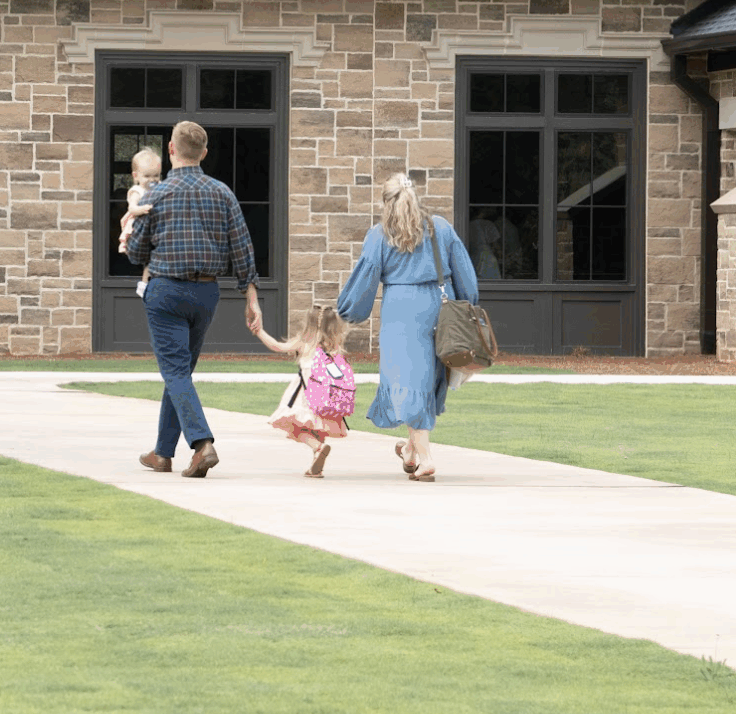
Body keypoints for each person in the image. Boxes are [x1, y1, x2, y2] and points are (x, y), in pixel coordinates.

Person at [124, 120, 261, 478]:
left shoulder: (156, 194)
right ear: (203, 152)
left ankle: (202, 444)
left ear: (171, 150)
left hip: (166, 291)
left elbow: (137, 253)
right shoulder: (222, 193)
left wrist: (134, 220)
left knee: (175, 372)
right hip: (206, 293)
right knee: (180, 372)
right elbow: (242, 248)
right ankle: (162, 453)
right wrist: (252, 298)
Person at [337, 173, 481, 483]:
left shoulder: (379, 235)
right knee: (424, 380)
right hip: (439, 309)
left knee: (407, 381)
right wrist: (468, 303)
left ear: (385, 203)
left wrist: (348, 310)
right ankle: (411, 452)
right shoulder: (439, 227)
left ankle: (426, 458)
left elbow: (365, 278)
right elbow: (464, 272)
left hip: (401, 313)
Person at [247, 302, 353, 478]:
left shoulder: (304, 343)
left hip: (306, 394)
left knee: (296, 428)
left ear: (308, 323)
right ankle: (315, 465)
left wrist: (260, 331)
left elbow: (277, 346)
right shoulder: (334, 345)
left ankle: (317, 448)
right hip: (328, 395)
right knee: (319, 427)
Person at [116, 147, 163, 297]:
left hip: (153, 224)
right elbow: (132, 208)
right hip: (137, 224)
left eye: (156, 176)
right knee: (148, 258)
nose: (152, 180)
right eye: (147, 176)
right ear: (136, 176)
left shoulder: (158, 188)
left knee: (152, 258)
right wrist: (142, 209)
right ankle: (143, 286)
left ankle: (146, 284)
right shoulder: (137, 190)